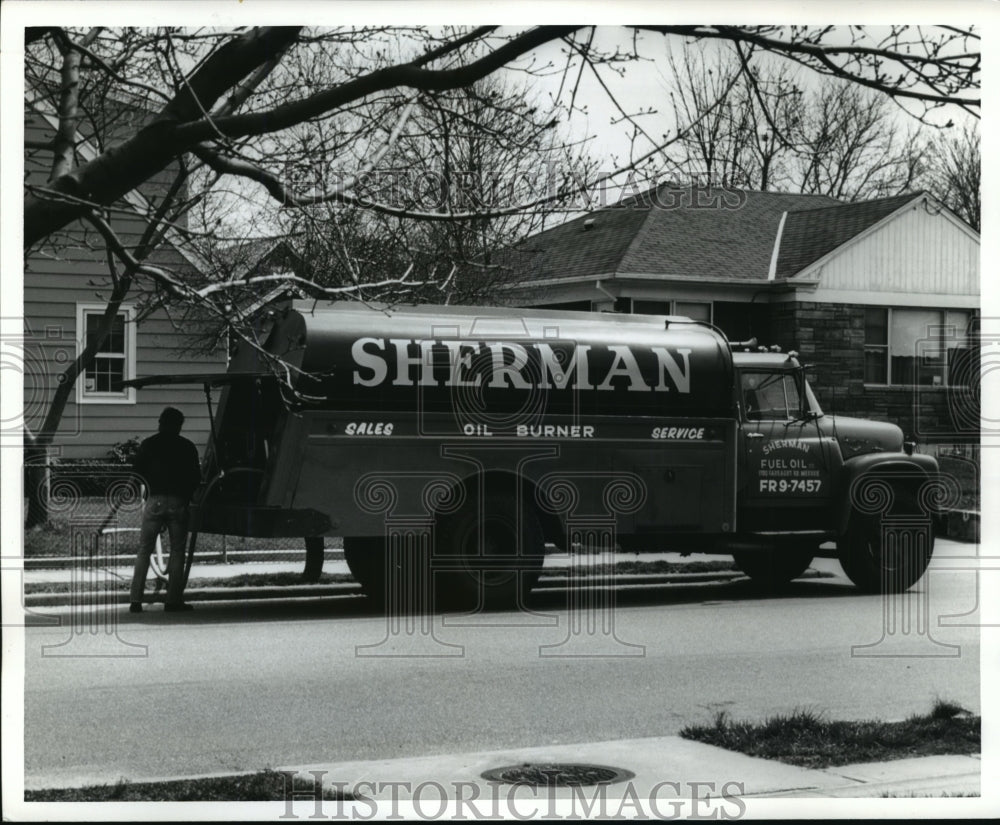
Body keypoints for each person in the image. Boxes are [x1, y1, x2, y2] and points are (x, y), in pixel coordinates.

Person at [130, 407, 202, 612]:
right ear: (179, 425)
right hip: (178, 501)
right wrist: (187, 497)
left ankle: (136, 600)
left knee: (144, 549)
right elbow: (195, 477)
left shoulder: (148, 445)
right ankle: (173, 600)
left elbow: (137, 473)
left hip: (155, 499)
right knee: (178, 550)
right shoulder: (187, 447)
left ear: (161, 422)